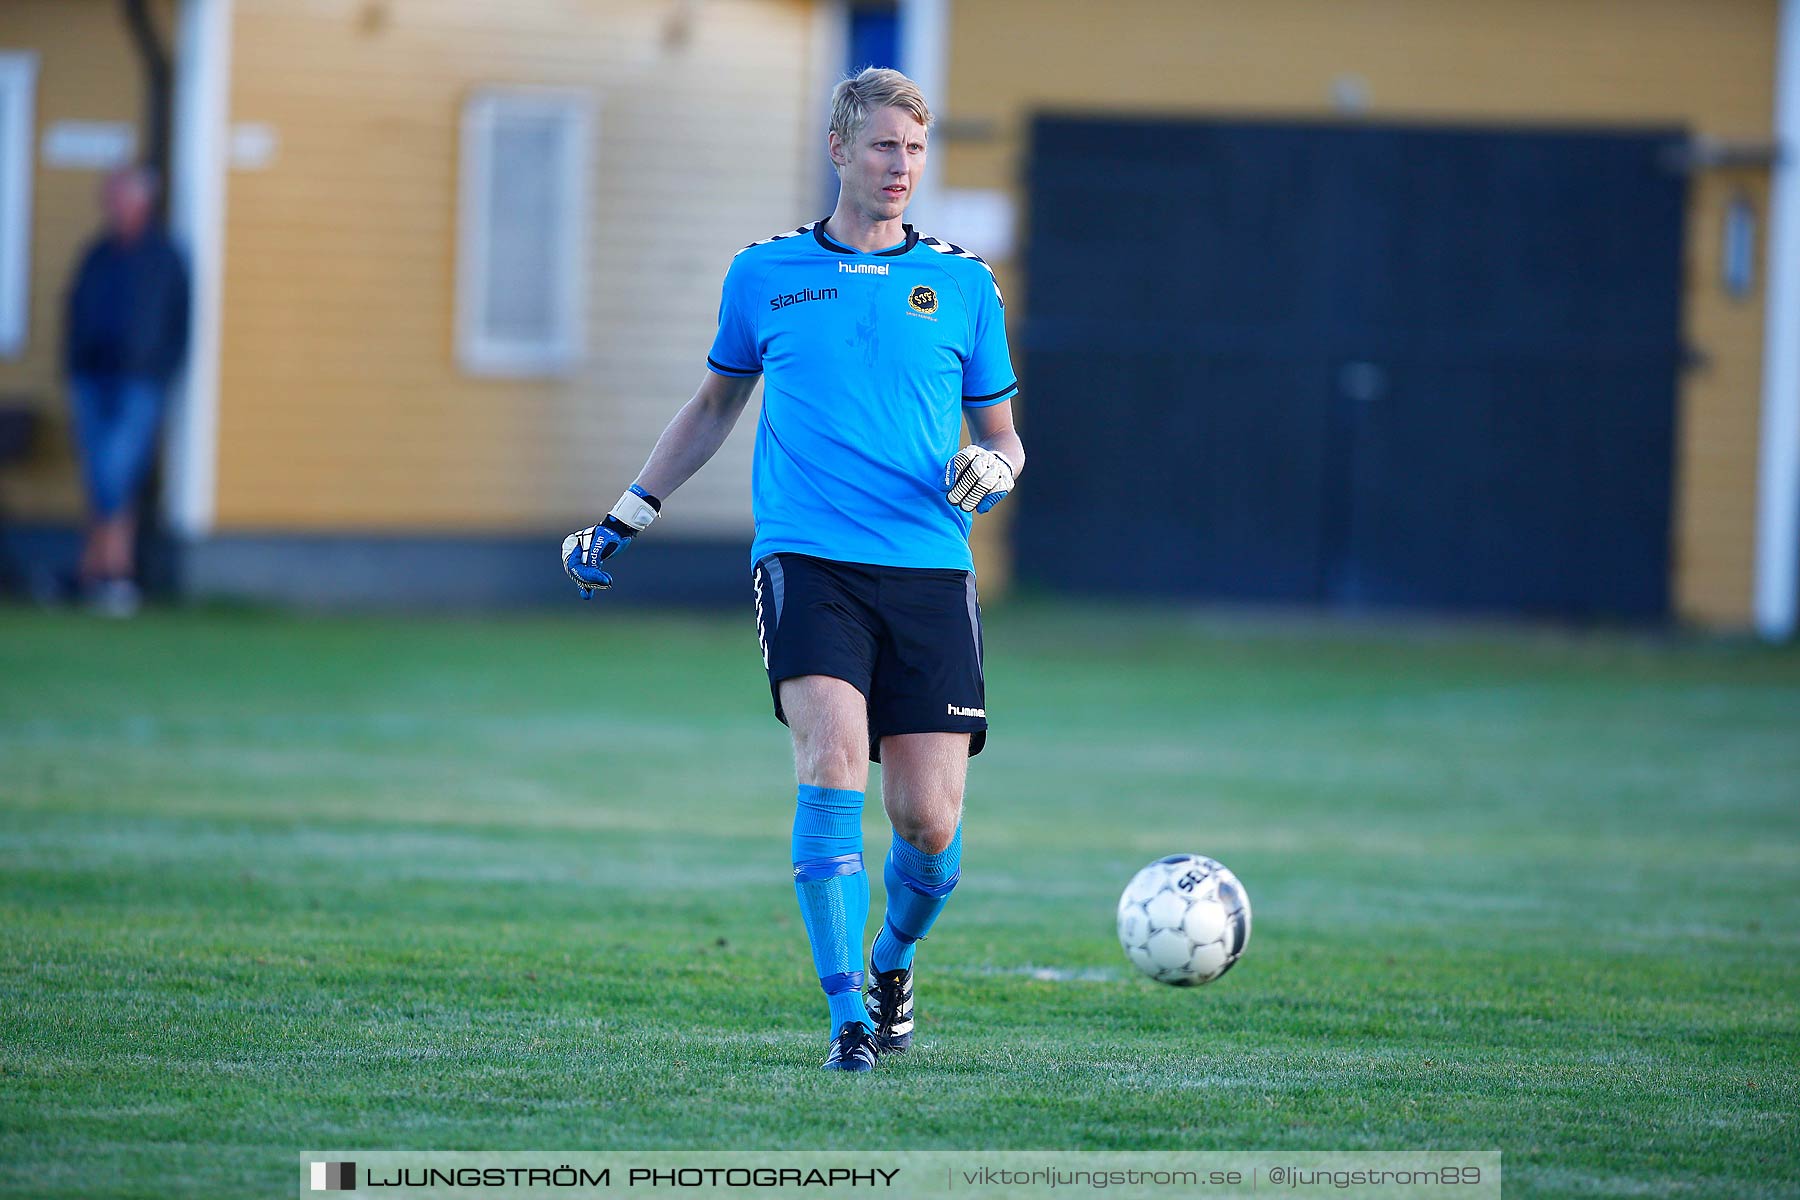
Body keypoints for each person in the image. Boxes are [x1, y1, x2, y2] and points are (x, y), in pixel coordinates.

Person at [562, 68, 1024, 1072]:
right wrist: (628, 513)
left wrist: (997, 464)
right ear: (838, 149)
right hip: (808, 559)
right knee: (828, 764)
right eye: (882, 148)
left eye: (913, 149)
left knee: (927, 820)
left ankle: (893, 960)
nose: (900, 167)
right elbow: (715, 406)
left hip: (929, 570)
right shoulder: (766, 273)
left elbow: (1006, 439)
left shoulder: (964, 284)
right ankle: (845, 1016)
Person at [62, 165, 190, 616]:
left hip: (140, 380)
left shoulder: (164, 256)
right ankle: (107, 573)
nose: (111, 203)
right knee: (101, 471)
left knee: (115, 471)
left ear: (142, 201)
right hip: (91, 377)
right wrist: (75, 362)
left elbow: (179, 320)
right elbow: (74, 310)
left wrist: (160, 369)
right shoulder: (98, 253)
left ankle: (103, 569)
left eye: (119, 195)